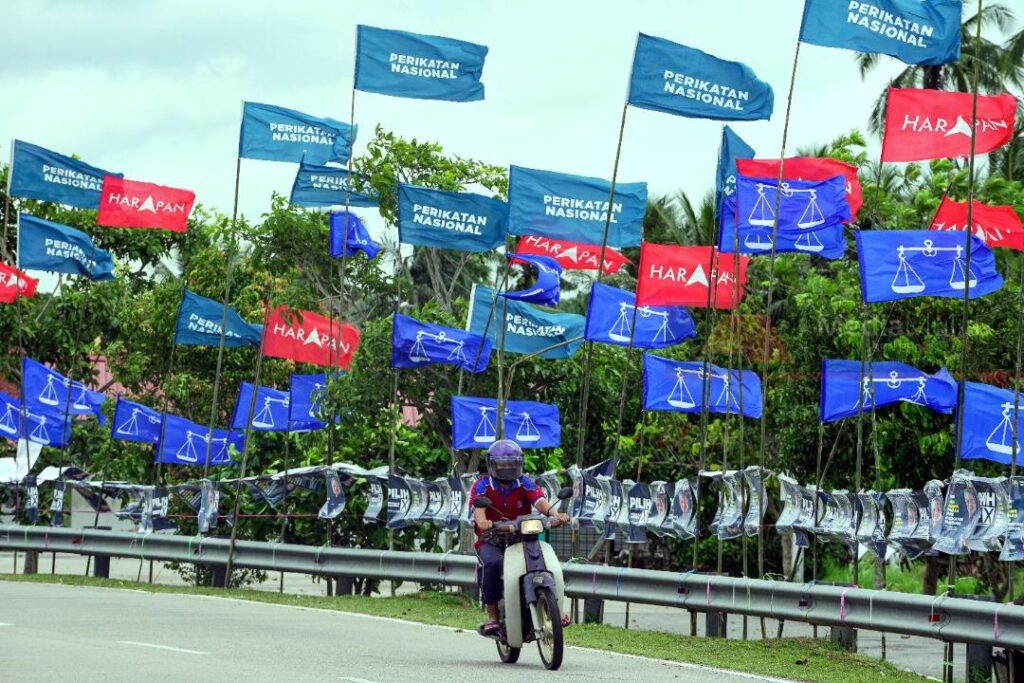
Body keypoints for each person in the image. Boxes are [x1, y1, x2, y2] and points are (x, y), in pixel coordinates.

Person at [470, 439, 569, 637]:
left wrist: (556, 515)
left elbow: (539, 501)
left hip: (522, 537)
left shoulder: (524, 481)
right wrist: (483, 522)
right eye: (502, 464)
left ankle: (556, 609)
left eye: (512, 463)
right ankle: (492, 615)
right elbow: (478, 509)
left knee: (547, 563)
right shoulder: (482, 484)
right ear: (492, 464)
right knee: (492, 563)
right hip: (491, 539)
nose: (507, 468)